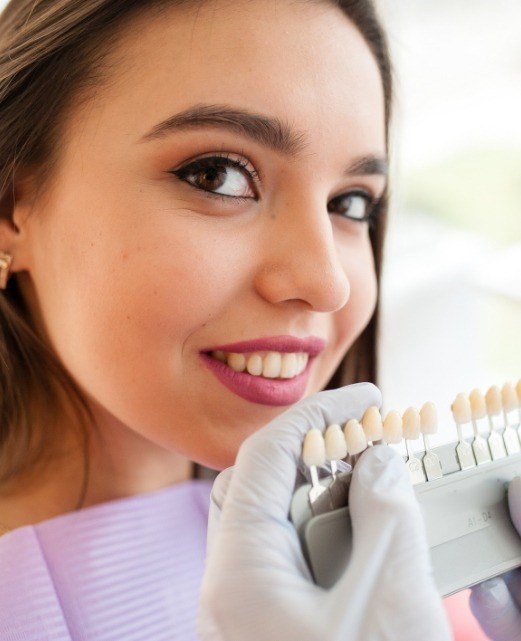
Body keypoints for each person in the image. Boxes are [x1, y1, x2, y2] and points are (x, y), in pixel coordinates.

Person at [0, 1, 517, 639]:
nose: (327, 282)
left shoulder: (412, 581)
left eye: (350, 202)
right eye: (217, 175)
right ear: (10, 208)